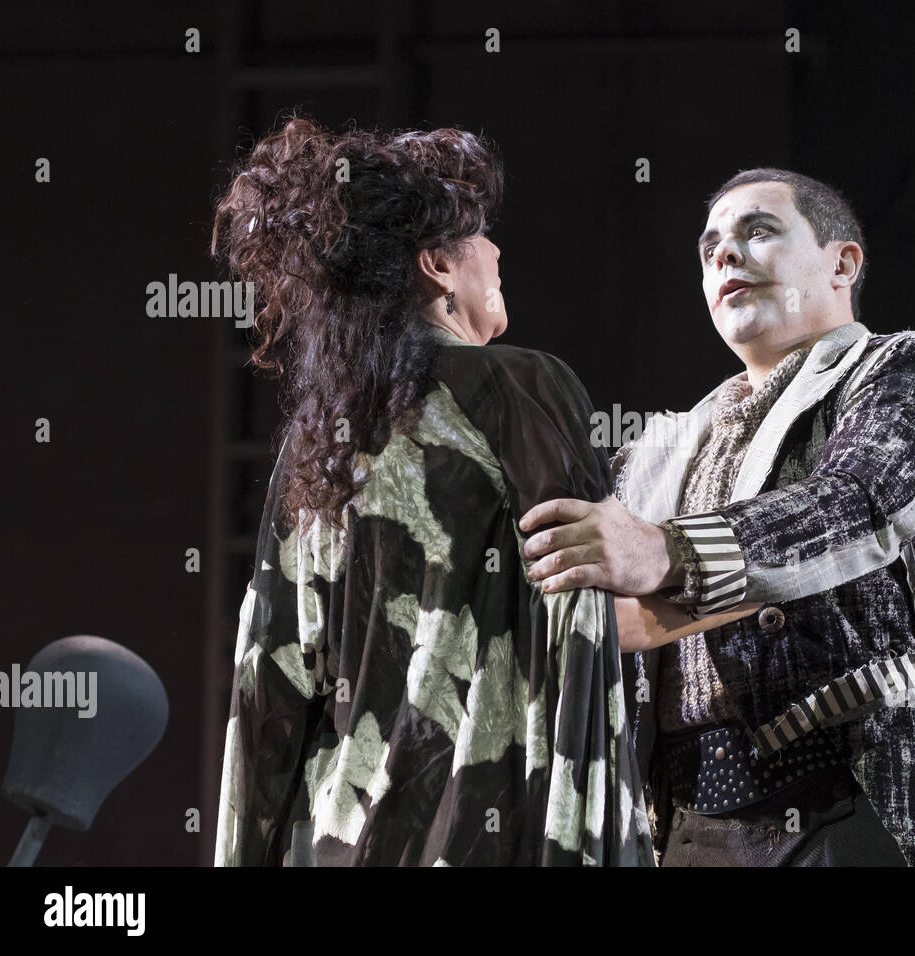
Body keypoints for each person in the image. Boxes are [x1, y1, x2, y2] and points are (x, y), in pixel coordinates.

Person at [521, 168, 915, 866]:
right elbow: (593, 609)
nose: (726, 254)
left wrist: (667, 554)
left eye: (758, 232)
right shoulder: (650, 456)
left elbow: (862, 503)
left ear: (842, 262)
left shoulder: (914, 369)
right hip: (687, 825)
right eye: (710, 249)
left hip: (864, 803)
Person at [209, 114, 657, 865]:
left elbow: (269, 690)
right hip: (486, 831)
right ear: (438, 268)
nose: (497, 249)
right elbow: (579, 638)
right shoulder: (524, 386)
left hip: (339, 837)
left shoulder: (314, 440)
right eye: (478, 234)